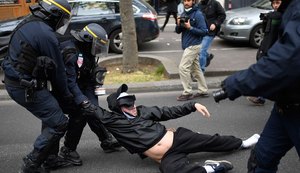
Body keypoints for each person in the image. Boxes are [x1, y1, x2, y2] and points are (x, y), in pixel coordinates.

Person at [89, 83, 260, 173]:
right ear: (118, 108)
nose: (133, 107)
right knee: (171, 170)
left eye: (133, 102)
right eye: (127, 105)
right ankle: (213, 168)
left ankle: (242, 143)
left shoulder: (143, 111)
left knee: (211, 141)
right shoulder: (114, 122)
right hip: (166, 156)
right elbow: (88, 107)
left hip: (178, 138)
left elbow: (168, 111)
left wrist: (192, 105)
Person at [212, 0, 300, 172]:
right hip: (284, 107)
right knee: (260, 161)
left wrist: (238, 83)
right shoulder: (288, 8)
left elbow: (288, 60)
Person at [1, 0, 73, 172]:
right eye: (63, 19)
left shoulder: (29, 21)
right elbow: (58, 72)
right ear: (54, 14)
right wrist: (67, 96)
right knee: (59, 123)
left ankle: (50, 158)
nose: (62, 24)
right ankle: (31, 164)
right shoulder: (46, 34)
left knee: (52, 114)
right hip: (24, 87)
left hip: (17, 81)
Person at [51, 23, 122, 168]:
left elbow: (88, 81)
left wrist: (92, 103)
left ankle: (106, 140)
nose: (98, 49)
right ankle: (68, 150)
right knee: (81, 113)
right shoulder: (70, 52)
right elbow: (69, 83)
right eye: (97, 44)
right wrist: (83, 101)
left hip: (78, 87)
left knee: (92, 109)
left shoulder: (88, 53)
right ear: (87, 39)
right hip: (61, 91)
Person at [247, 0, 282, 106]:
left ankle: (262, 97)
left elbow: (275, 35)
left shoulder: (281, 17)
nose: (275, 5)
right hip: (267, 48)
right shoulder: (272, 15)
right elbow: (267, 33)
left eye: (278, 3)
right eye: (274, 3)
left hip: (275, 51)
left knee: (268, 73)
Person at [175, 0, 209, 101]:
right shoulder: (183, 13)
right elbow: (178, 31)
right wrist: (178, 24)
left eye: (188, 0)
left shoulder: (198, 14)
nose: (186, 2)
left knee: (183, 67)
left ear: (193, 1)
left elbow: (204, 31)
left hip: (194, 45)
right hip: (187, 44)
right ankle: (203, 90)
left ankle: (187, 92)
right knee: (196, 69)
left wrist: (190, 28)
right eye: (184, 0)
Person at [198, 0, 226, 72]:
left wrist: (215, 23)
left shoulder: (215, 3)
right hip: (201, 31)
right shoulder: (199, 5)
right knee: (199, 50)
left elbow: (222, 15)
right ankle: (207, 57)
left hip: (210, 32)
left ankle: (200, 72)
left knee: (201, 51)